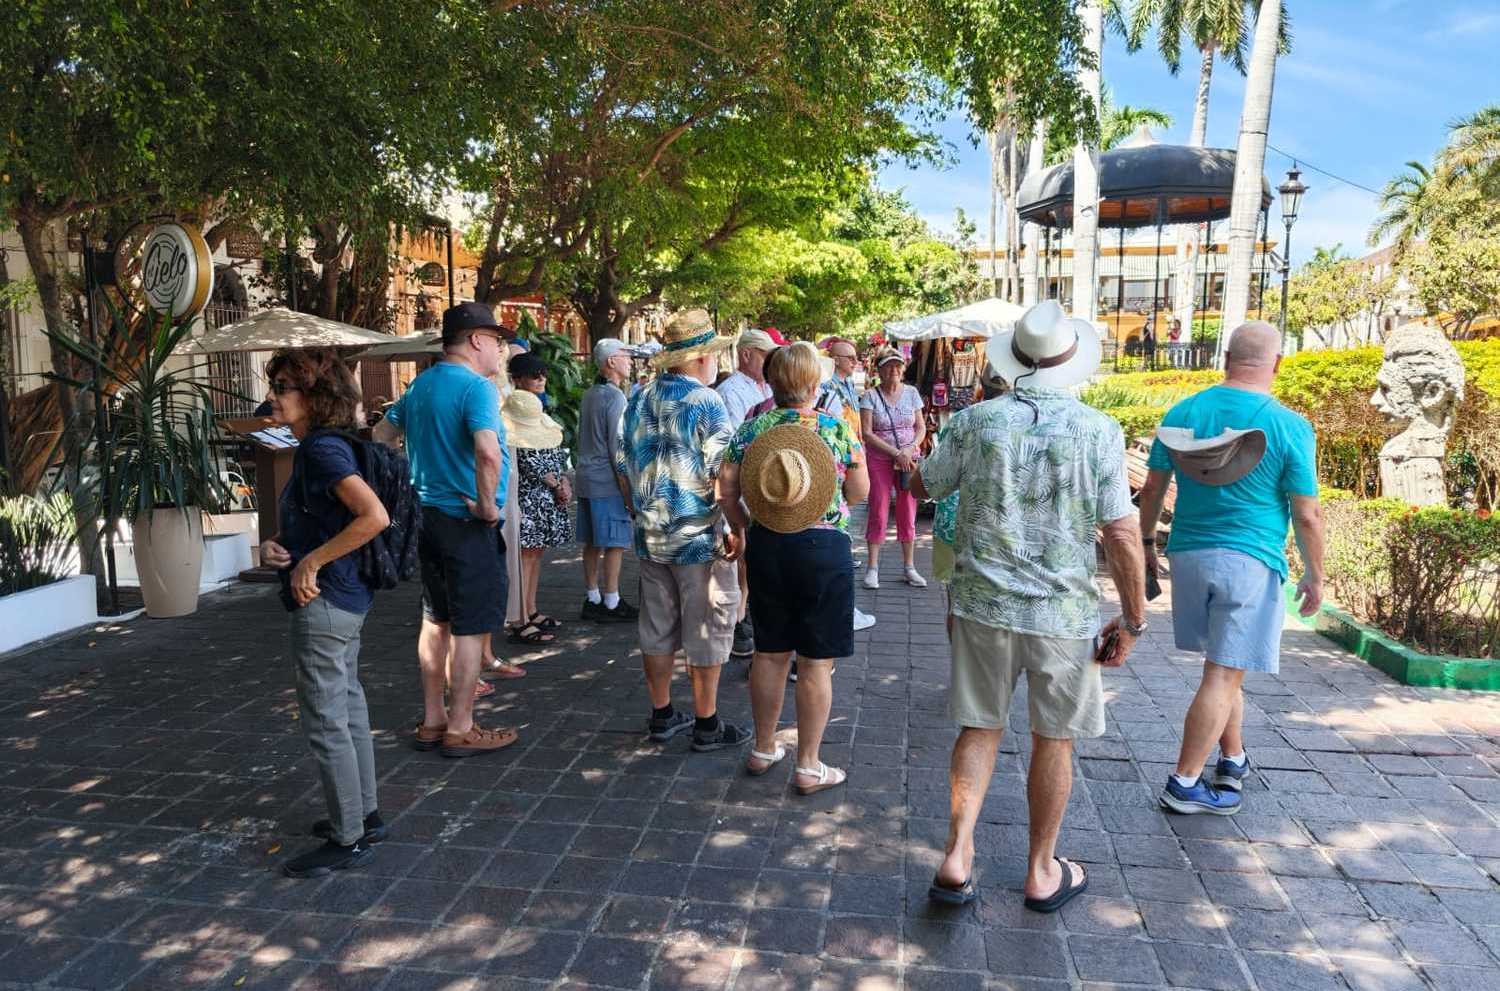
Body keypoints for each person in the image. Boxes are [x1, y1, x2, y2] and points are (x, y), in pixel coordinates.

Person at [913, 300, 1148, 911]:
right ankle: (1041, 871)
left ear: (1014, 359)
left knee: (979, 727)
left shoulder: (975, 422)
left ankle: (957, 857)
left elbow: (925, 486)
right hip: (1062, 615)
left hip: (982, 605)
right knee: (1055, 739)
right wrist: (1133, 618)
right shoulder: (1099, 431)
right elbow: (1122, 534)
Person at [1137, 320, 1324, 816]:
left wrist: (1146, 542)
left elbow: (1152, 490)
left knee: (1224, 666)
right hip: (1250, 561)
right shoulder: (1288, 424)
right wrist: (1315, 574)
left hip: (1190, 556)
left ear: (1225, 357)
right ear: (1277, 363)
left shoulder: (1184, 411)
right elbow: (1306, 512)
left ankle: (1233, 757)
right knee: (1222, 674)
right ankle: (1184, 783)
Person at [260, 348, 387, 878]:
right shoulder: (327, 446)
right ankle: (365, 815)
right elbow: (326, 519)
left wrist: (310, 562)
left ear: (315, 396)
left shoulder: (321, 451)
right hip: (344, 595)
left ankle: (348, 835)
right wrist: (282, 546)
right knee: (349, 707)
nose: (274, 397)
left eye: (285, 386)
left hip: (327, 600)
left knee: (326, 719)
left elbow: (372, 516)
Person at [720, 342, 869, 794]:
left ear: (773, 381)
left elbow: (726, 489)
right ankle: (808, 764)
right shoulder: (836, 427)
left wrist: (741, 526)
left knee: (769, 652)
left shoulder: (752, 426)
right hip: (823, 549)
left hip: (767, 545)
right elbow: (858, 491)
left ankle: (764, 747)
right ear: (812, 383)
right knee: (815, 663)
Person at [373, 302, 519, 759]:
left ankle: (435, 718)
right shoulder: (476, 388)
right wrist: (487, 508)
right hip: (466, 521)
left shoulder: (421, 385)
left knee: (435, 621)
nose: (501, 349)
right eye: (496, 340)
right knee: (471, 627)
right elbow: (488, 452)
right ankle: (461, 726)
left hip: (427, 519)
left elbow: (380, 437)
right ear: (476, 340)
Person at [615, 308, 752, 752]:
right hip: (697, 537)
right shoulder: (705, 402)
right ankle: (706, 723)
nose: (716, 361)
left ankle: (661, 714)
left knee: (655, 627)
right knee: (706, 627)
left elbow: (621, 464)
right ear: (699, 359)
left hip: (650, 535)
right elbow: (722, 473)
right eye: (713, 354)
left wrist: (638, 510)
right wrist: (736, 526)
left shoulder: (638, 397)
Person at [717, 328, 777, 657]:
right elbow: (733, 446)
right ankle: (740, 619)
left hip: (766, 481)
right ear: (746, 354)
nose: (769, 361)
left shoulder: (765, 386)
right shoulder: (731, 391)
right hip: (743, 480)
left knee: (753, 556)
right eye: (765, 355)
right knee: (741, 553)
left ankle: (747, 613)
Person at [577, 338, 641, 623]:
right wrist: (628, 489)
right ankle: (612, 601)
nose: (629, 360)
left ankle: (592, 596)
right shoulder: (615, 397)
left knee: (592, 541)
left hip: (587, 476)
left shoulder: (590, 393)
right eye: (624, 356)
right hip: (607, 479)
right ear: (611, 362)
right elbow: (618, 448)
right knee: (615, 541)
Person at [505, 350, 568, 637]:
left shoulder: (538, 411)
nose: (541, 378)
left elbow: (552, 453)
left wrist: (562, 481)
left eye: (543, 373)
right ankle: (519, 617)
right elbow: (528, 463)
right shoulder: (513, 412)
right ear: (517, 379)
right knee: (525, 559)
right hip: (529, 497)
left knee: (535, 556)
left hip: (545, 496)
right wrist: (557, 484)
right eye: (534, 374)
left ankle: (530, 609)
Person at [817, 337, 877, 633]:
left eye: (856, 357)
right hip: (838, 467)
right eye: (849, 357)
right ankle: (842, 610)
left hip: (848, 463)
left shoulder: (848, 387)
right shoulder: (828, 389)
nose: (855, 362)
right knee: (836, 530)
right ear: (834, 359)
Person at [860, 347, 927, 589]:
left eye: (898, 365)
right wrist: (895, 453)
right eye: (888, 365)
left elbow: (920, 427)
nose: (894, 370)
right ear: (879, 370)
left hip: (908, 460)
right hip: (880, 458)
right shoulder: (870, 396)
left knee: (908, 511)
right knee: (878, 508)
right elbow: (866, 433)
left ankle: (909, 567)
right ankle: (873, 567)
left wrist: (908, 450)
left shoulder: (912, 393)